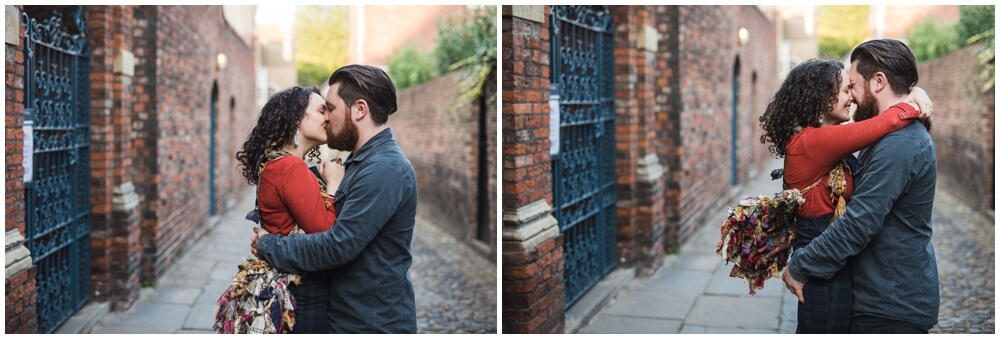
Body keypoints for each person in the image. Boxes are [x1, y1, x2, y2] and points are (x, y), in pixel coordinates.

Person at [757, 58, 931, 333]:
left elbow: (806, 201)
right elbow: (883, 124)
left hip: (826, 255)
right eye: (845, 89)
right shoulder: (814, 142)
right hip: (822, 259)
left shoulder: (818, 140)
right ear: (822, 96)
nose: (851, 96)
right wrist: (914, 99)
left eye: (851, 88)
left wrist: (789, 234)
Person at [251, 64, 418, 333]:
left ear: (359, 110)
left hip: (369, 325)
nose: (327, 117)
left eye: (330, 108)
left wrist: (270, 245)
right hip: (343, 318)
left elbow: (337, 245)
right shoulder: (358, 164)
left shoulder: (384, 169)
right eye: (322, 110)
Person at [229, 86, 345, 333]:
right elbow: (324, 232)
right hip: (301, 289)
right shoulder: (290, 167)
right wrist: (334, 184)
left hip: (288, 279)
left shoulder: (277, 162)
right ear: (296, 118)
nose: (328, 117)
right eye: (321, 110)